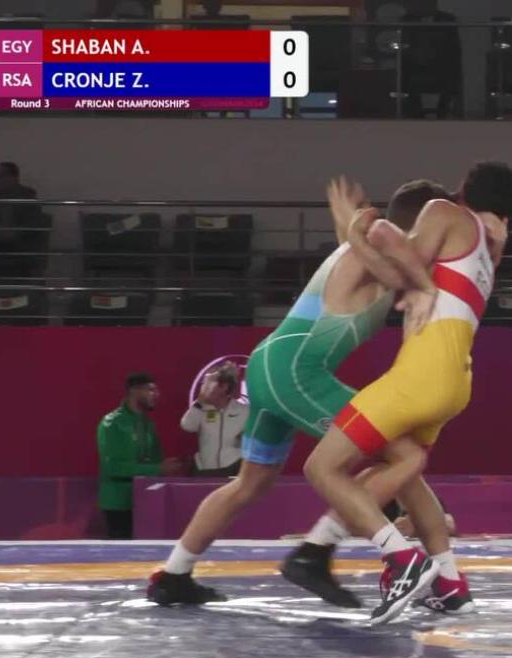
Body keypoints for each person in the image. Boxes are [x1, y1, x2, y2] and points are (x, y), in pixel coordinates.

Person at [146, 177, 451, 607]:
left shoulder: (365, 246)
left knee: (251, 483)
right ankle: (333, 554)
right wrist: (354, 229)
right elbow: (404, 279)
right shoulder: (382, 251)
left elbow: (369, 263)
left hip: (270, 363)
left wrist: (349, 226)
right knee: (400, 454)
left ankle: (173, 575)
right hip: (296, 372)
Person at [303, 161, 512, 624]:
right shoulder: (490, 248)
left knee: (322, 467)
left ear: (463, 189)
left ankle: (402, 559)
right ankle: (450, 584)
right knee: (403, 475)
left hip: (421, 375)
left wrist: (354, 232)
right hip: (456, 380)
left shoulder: (445, 212)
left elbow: (398, 271)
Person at [97, 372, 186, 540]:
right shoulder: (112, 423)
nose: (156, 394)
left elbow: (157, 462)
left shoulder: (149, 424)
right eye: (150, 390)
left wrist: (170, 467)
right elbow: (113, 467)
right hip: (118, 503)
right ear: (134, 391)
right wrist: (158, 468)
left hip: (145, 501)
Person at [180, 361, 246, 477]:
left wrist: (246, 438)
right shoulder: (200, 407)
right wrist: (199, 402)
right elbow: (187, 426)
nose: (204, 388)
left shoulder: (244, 411)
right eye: (203, 383)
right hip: (204, 470)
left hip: (234, 468)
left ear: (224, 386)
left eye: (209, 383)